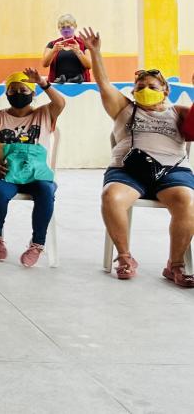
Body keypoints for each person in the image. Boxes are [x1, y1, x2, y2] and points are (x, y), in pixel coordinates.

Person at [82, 29, 193, 286]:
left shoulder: (179, 112)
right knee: (111, 196)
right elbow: (103, 84)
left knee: (188, 201)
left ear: (165, 90)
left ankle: (175, 265)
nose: (145, 90)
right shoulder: (123, 108)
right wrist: (95, 52)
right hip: (128, 170)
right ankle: (124, 257)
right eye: (140, 87)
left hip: (173, 171)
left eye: (152, 87)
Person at [0, 69, 65, 268]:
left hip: (37, 176)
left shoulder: (44, 114)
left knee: (46, 191)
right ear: (6, 93)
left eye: (23, 90)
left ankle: (37, 244)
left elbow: (60, 103)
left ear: (33, 93)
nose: (18, 94)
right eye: (13, 90)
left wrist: (43, 83)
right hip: (5, 174)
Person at [42, 14, 91, 84]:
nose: (66, 30)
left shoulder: (84, 44)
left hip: (80, 85)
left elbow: (89, 65)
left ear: (75, 26)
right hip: (58, 84)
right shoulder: (52, 44)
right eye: (63, 27)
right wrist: (53, 51)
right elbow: (45, 64)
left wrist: (78, 52)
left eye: (68, 27)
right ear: (59, 28)